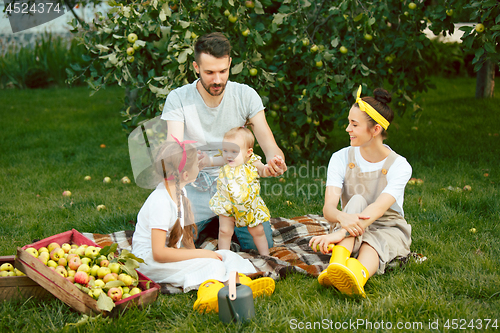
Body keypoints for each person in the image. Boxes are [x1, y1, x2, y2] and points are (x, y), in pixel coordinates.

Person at [161, 32, 287, 251]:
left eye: (222, 71)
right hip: (195, 189)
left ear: (230, 63)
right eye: (209, 72)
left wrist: (276, 161)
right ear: (196, 67)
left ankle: (220, 226)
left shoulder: (245, 96)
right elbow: (173, 149)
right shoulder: (178, 98)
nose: (217, 80)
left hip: (237, 189)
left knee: (261, 246)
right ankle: (212, 224)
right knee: (172, 245)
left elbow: (269, 146)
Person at [131, 138, 274, 313]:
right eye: (195, 164)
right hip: (149, 262)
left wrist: (197, 254)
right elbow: (158, 253)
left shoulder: (179, 189)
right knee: (211, 265)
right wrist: (200, 254)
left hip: (170, 254)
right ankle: (209, 296)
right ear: (185, 175)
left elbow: (184, 235)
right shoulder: (160, 201)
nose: (199, 165)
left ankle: (242, 284)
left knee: (225, 255)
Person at [309, 86, 412, 298]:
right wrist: (342, 220)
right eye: (349, 122)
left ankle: (357, 274)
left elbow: (378, 208)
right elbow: (329, 208)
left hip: (387, 225)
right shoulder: (340, 158)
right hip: (350, 218)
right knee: (355, 200)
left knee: (373, 242)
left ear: (375, 130)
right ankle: (336, 266)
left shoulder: (400, 166)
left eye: (354, 125)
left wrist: (340, 233)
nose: (348, 129)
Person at [209, 126, 273, 256]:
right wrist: (204, 160)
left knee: (258, 231)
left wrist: (271, 167)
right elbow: (212, 161)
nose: (228, 155)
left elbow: (264, 171)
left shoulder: (251, 161)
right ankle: (224, 257)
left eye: (234, 151)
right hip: (228, 204)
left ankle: (266, 256)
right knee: (224, 231)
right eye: (225, 150)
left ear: (248, 152)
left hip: (249, 206)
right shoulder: (225, 160)